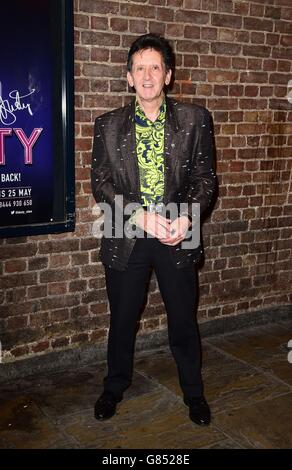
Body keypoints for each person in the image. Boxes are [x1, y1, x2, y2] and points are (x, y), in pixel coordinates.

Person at [91, 34, 217, 426]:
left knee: (183, 319)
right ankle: (114, 386)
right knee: (123, 318)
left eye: (155, 67)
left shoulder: (196, 119)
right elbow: (102, 184)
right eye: (139, 68)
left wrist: (188, 217)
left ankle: (194, 394)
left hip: (179, 228)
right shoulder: (107, 125)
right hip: (125, 228)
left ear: (168, 75)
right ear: (129, 77)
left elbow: (206, 180)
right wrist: (138, 215)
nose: (147, 75)